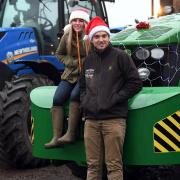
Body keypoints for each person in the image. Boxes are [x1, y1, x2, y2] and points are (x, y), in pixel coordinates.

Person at [80, 16, 142, 180]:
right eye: (97, 37)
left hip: (114, 120)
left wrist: (114, 99)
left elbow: (135, 83)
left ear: (108, 37)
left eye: (104, 36)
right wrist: (86, 102)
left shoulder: (120, 57)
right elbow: (82, 87)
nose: (101, 40)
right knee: (92, 167)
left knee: (114, 166)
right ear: (92, 39)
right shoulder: (88, 61)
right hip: (91, 121)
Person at [44, 8, 90, 148]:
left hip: (85, 74)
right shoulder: (67, 35)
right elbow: (59, 54)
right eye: (74, 20)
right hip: (69, 74)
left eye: (80, 20)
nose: (77, 23)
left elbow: (95, 56)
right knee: (57, 98)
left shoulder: (89, 37)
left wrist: (84, 62)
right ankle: (56, 137)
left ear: (85, 22)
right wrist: (71, 62)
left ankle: (70, 134)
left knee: (75, 95)